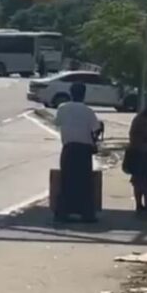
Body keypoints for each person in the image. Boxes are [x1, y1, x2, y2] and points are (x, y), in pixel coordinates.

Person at [53, 82, 102, 223]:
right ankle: (86, 213)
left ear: (70, 93)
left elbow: (57, 123)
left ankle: (63, 212)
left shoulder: (62, 108)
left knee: (67, 180)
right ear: (84, 94)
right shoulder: (88, 111)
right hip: (83, 151)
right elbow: (96, 129)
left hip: (68, 148)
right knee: (84, 183)